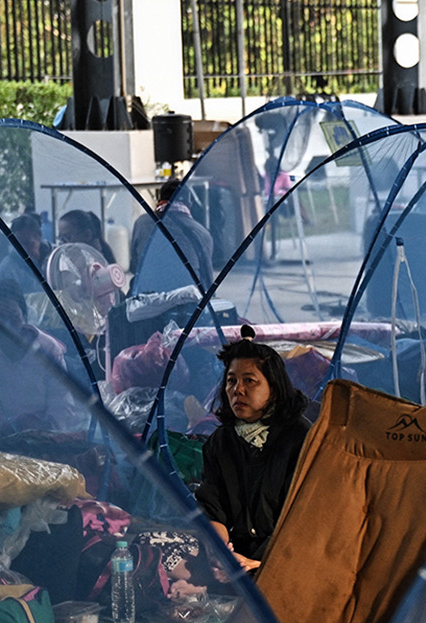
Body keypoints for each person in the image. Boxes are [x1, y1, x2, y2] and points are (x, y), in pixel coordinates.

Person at [193, 334, 312, 572]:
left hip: (292, 557)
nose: (238, 390)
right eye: (231, 380)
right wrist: (220, 551)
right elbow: (212, 508)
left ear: (274, 389)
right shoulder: (222, 442)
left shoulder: (300, 438)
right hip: (239, 556)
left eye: (250, 381)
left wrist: (260, 563)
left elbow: (306, 519)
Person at [0, 279, 84, 438]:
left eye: (14, 316)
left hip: (44, 436)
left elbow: (61, 403)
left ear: (24, 315)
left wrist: (46, 435)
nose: (7, 326)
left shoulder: (48, 348)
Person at [130, 177, 215, 289]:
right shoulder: (201, 232)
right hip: (187, 301)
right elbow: (207, 280)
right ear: (189, 204)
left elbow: (135, 267)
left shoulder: (142, 223)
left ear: (159, 201)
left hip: (149, 298)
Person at [0, 213, 51, 296]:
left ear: (39, 235)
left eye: (27, 243)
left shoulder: (57, 257)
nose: (23, 250)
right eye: (18, 246)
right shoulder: (8, 268)